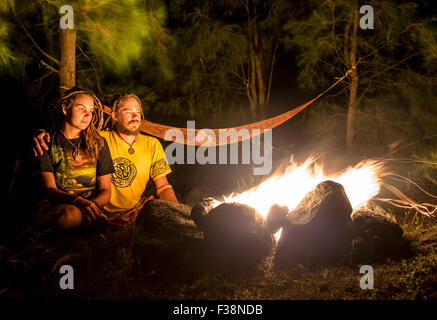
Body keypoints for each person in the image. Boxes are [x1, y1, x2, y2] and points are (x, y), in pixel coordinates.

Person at [33, 93, 178, 229]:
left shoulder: (152, 144)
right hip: (99, 209)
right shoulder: (99, 139)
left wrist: (177, 212)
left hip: (132, 211)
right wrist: (40, 134)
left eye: (138, 111)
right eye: (128, 111)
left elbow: (163, 186)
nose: (135, 116)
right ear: (114, 116)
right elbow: (71, 131)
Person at [33, 88, 114, 231]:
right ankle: (34, 230)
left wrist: (92, 206)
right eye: (81, 108)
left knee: (102, 223)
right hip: (59, 204)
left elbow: (105, 190)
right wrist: (78, 202)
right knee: (71, 216)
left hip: (89, 204)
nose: (87, 114)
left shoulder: (98, 144)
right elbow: (50, 189)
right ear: (65, 109)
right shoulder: (47, 141)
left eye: (91, 110)